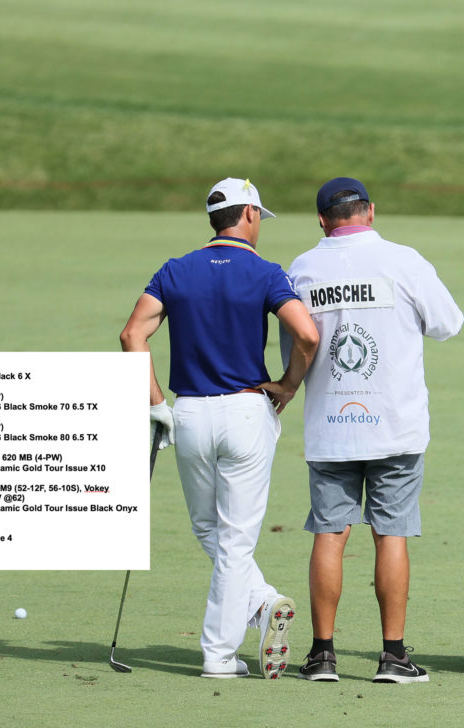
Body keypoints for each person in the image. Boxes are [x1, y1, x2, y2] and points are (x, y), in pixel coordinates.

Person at [119, 177, 319, 679]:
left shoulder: (175, 270)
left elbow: (132, 334)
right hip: (247, 413)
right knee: (233, 540)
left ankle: (261, 604)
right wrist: (290, 384)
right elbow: (307, 333)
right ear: (248, 215)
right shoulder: (265, 271)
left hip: (188, 415)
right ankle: (219, 655)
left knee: (209, 528)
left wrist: (155, 403)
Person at [285, 177, 463, 683]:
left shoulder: (303, 268)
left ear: (322, 220)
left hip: (330, 425)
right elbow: (448, 323)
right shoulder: (404, 260)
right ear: (371, 212)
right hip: (394, 426)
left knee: (330, 533)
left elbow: (294, 339)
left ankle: (321, 655)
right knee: (391, 535)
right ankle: (393, 656)